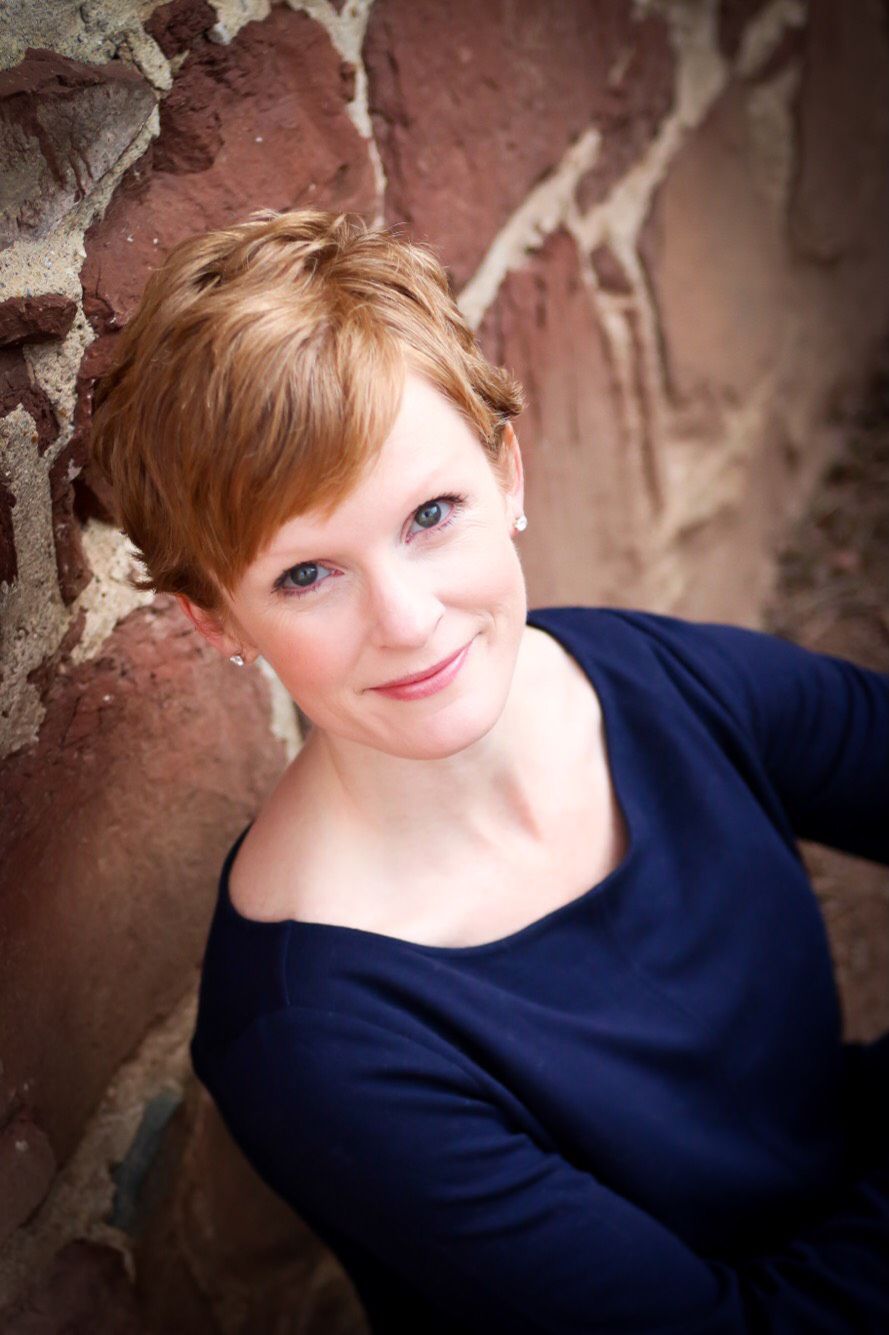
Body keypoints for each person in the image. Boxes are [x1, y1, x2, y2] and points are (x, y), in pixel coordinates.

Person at [89, 207, 889, 1333]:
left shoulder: (648, 677)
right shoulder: (314, 1041)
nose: (409, 620)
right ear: (216, 619)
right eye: (307, 574)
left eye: (430, 514)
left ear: (506, 472)